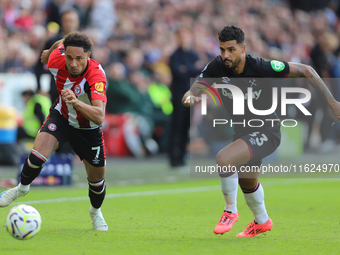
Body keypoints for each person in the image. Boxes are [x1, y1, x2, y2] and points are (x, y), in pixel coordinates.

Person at [182, 25, 340, 237]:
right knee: (247, 182)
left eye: (231, 50)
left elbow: (307, 71)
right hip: (242, 133)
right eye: (222, 50)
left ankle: (230, 211)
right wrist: (190, 97)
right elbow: (196, 88)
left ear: (243, 48)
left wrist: (331, 103)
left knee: (224, 159)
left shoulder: (262, 67)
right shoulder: (216, 67)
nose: (226, 55)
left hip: (267, 131)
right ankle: (262, 221)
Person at [0, 32, 108, 231]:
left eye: (79, 59)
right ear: (63, 54)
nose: (73, 63)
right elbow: (61, 44)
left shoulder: (96, 76)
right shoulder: (55, 61)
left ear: (88, 56)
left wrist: (75, 101)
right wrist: (49, 51)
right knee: (36, 155)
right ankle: (21, 189)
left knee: (97, 183)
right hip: (63, 118)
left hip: (88, 129)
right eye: (69, 57)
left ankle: (95, 212)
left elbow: (99, 116)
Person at [168, 26, 203, 168]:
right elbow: (180, 73)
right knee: (176, 126)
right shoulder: (174, 56)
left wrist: (187, 68)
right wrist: (192, 68)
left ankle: (182, 157)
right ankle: (173, 158)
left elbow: (200, 70)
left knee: (185, 127)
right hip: (178, 96)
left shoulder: (193, 54)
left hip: (192, 95)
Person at [35, 8, 80, 103]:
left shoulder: (83, 43)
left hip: (78, 90)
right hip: (57, 91)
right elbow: (39, 66)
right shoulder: (52, 43)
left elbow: (92, 66)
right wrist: (39, 87)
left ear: (77, 23)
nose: (69, 24)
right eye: (66, 20)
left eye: (71, 21)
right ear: (61, 22)